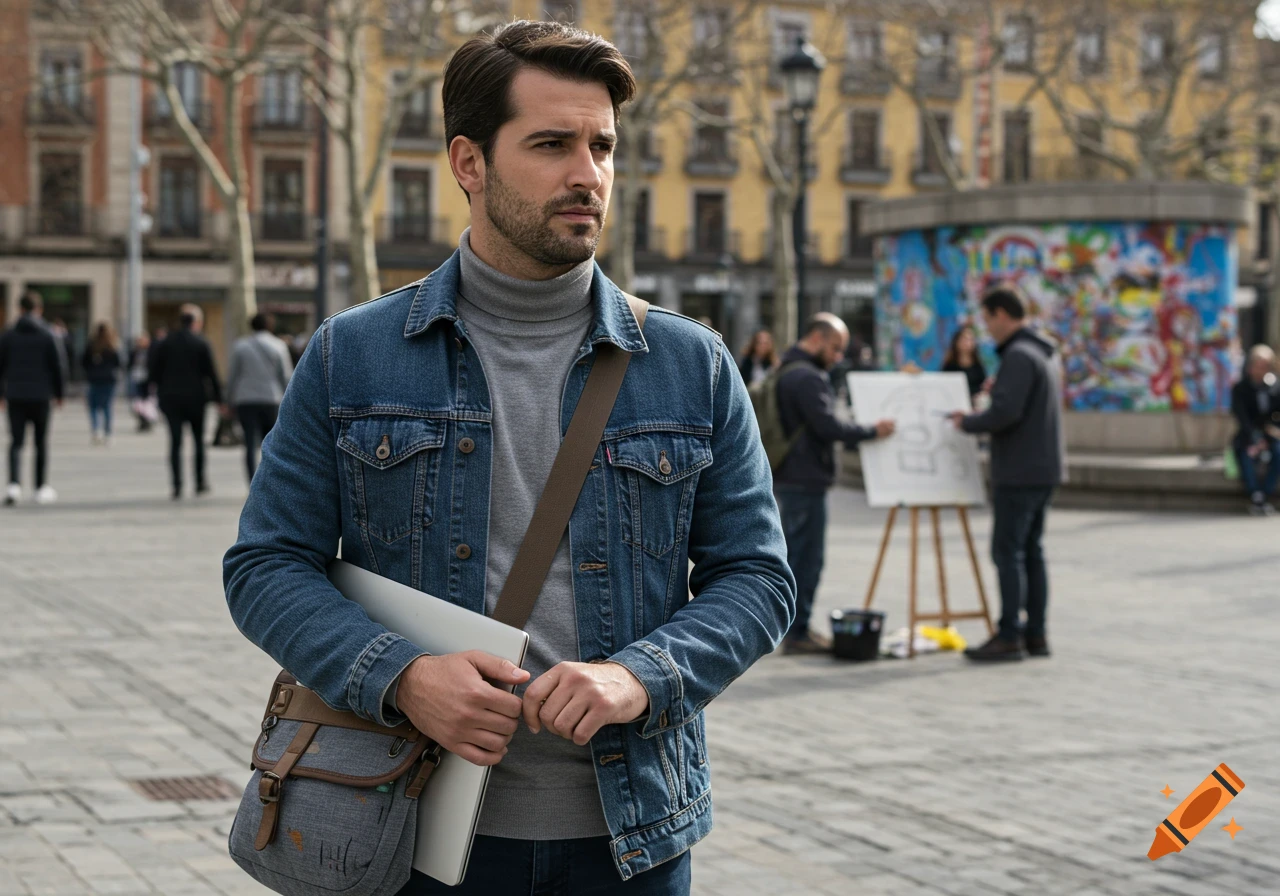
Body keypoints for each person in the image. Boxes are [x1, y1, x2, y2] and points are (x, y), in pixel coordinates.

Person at [223, 21, 794, 896]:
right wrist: (403, 676)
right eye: (551, 144)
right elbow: (265, 565)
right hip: (409, 825)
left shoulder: (690, 364)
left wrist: (637, 676)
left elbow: (758, 578)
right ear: (468, 162)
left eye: (602, 145)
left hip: (632, 837)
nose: (588, 174)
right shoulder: (353, 354)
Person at [948, 286, 1064, 661]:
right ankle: (1037, 634)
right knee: (1032, 551)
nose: (987, 329)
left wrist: (968, 421)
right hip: (1043, 467)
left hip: (1019, 469)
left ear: (1001, 314)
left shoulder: (1018, 355)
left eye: (987, 319)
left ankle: (1009, 634)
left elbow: (1005, 413)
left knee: (1008, 552)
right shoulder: (1042, 352)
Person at [774, 313, 895, 654]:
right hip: (805, 478)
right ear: (815, 338)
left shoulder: (785, 369)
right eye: (835, 348)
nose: (838, 356)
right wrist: (873, 430)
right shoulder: (808, 378)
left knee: (796, 554)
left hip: (789, 475)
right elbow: (828, 427)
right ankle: (797, 632)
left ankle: (792, 629)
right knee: (806, 559)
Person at [149, 304, 221, 499]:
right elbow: (211, 373)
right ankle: (199, 481)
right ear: (196, 323)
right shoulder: (201, 343)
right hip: (196, 399)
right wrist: (219, 398)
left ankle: (177, 484)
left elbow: (153, 372)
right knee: (198, 441)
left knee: (175, 442)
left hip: (171, 399)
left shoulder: (165, 343)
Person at [0, 291, 65, 505]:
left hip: (16, 395)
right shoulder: (49, 335)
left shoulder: (8, 335)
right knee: (40, 442)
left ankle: (13, 485)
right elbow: (58, 367)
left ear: (19, 309)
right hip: (40, 395)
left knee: (15, 442)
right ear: (39, 309)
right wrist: (59, 394)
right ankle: (40, 487)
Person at [224, 312, 293, 482]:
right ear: (270, 326)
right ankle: (268, 480)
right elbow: (286, 376)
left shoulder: (240, 346)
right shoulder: (279, 345)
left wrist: (228, 399)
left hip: (245, 399)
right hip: (271, 398)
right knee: (270, 443)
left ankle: (251, 481)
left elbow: (233, 376)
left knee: (248, 442)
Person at [1230, 344, 1280, 515]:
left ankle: (1265, 492)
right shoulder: (1240, 389)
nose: (1263, 370)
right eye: (1259, 365)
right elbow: (1242, 417)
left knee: (1278, 453)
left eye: (1266, 366)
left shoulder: (1275, 387)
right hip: (1248, 434)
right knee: (1246, 453)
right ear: (1250, 367)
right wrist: (1256, 438)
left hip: (1271, 434)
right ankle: (1256, 495)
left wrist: (1271, 433)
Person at [82, 322, 122, 445]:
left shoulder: (92, 345)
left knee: (93, 406)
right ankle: (107, 433)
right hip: (109, 379)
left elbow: (83, 361)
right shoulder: (112, 345)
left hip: (94, 379)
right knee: (107, 407)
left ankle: (96, 430)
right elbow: (118, 362)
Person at [942, 323, 987, 400]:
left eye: (970, 339)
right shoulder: (949, 366)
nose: (967, 343)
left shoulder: (978, 366)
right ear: (956, 342)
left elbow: (983, 386)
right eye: (964, 339)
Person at [126, 332, 155, 431]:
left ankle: (147, 421)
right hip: (136, 378)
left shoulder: (151, 351)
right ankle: (142, 421)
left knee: (147, 402)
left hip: (147, 379)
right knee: (137, 402)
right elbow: (129, 364)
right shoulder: (135, 352)